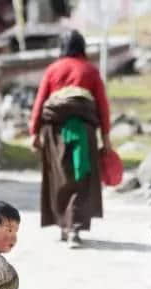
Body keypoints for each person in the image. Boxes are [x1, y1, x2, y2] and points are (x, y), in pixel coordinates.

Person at [29, 30, 113, 248]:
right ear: (82, 46)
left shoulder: (53, 70)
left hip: (54, 132)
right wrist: (106, 137)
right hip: (83, 132)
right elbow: (102, 106)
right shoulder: (90, 70)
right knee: (81, 178)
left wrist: (33, 133)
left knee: (59, 178)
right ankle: (74, 229)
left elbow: (39, 102)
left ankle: (64, 227)